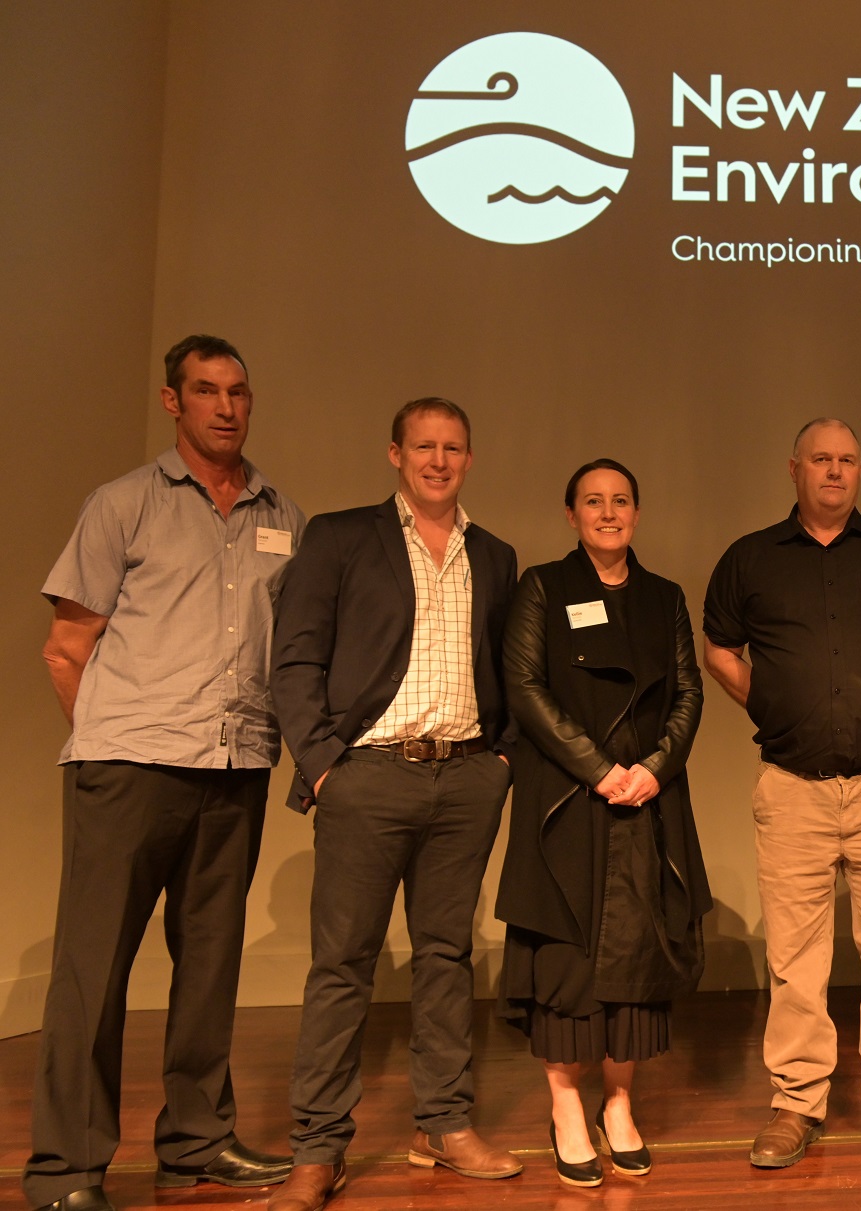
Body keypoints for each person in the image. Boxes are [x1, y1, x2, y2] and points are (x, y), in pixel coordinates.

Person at [25, 335, 300, 1211]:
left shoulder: (280, 513)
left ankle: (195, 1142)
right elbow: (66, 648)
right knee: (93, 972)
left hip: (235, 764)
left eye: (239, 391)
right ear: (172, 401)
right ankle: (67, 1168)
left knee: (210, 965)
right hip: (131, 766)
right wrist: (115, 739)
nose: (226, 406)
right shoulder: (123, 504)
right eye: (206, 390)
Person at [266, 398, 520, 1211]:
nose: (438, 460)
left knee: (447, 957)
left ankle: (443, 1125)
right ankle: (317, 1148)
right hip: (368, 775)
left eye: (452, 448)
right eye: (423, 446)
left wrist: (502, 760)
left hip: (466, 777)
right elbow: (295, 656)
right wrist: (325, 764)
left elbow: (509, 667)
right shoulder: (342, 537)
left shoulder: (496, 553)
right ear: (395, 454)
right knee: (342, 964)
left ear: (469, 459)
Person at [701, 418, 861, 1169]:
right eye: (820, 459)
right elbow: (717, 646)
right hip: (792, 790)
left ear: (859, 471)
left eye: (845, 460)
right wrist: (771, 704)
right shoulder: (749, 558)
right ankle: (797, 1102)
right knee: (795, 956)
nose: (833, 471)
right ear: (794, 469)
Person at [493, 459, 712, 1186]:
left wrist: (654, 766)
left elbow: (687, 691)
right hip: (570, 798)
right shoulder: (543, 588)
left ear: (637, 514)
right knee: (568, 963)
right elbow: (523, 685)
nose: (608, 512)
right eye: (593, 500)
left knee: (636, 959)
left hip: (647, 798)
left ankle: (619, 1102)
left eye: (620, 500)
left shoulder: (663, 597)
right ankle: (565, 1105)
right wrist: (598, 767)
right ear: (571, 514)